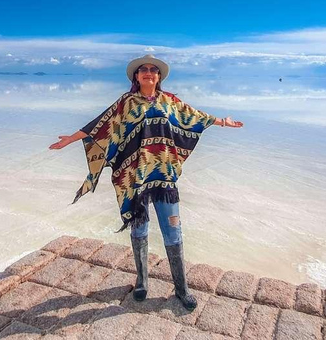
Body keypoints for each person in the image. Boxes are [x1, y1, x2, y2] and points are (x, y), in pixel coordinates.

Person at [49, 54, 243, 311]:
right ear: (136, 77)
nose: (149, 72)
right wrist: (71, 139)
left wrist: (223, 122)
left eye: (153, 70)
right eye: (144, 70)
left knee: (172, 231)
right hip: (136, 179)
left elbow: (195, 117)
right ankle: (142, 281)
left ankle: (181, 288)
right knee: (138, 230)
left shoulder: (170, 101)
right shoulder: (126, 103)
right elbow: (100, 124)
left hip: (164, 178)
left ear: (159, 77)